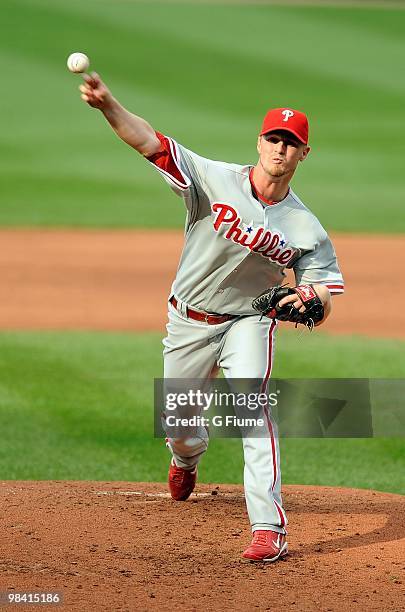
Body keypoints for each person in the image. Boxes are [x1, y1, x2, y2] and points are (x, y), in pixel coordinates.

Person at [78, 73, 344, 562]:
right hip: (188, 320)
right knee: (179, 423)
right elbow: (149, 141)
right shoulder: (213, 178)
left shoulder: (307, 227)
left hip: (249, 322)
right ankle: (185, 456)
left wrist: (311, 301)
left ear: (304, 153)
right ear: (260, 142)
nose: (280, 149)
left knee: (253, 412)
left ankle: (269, 528)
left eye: (292, 143)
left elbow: (324, 292)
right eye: (274, 138)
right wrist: (108, 104)